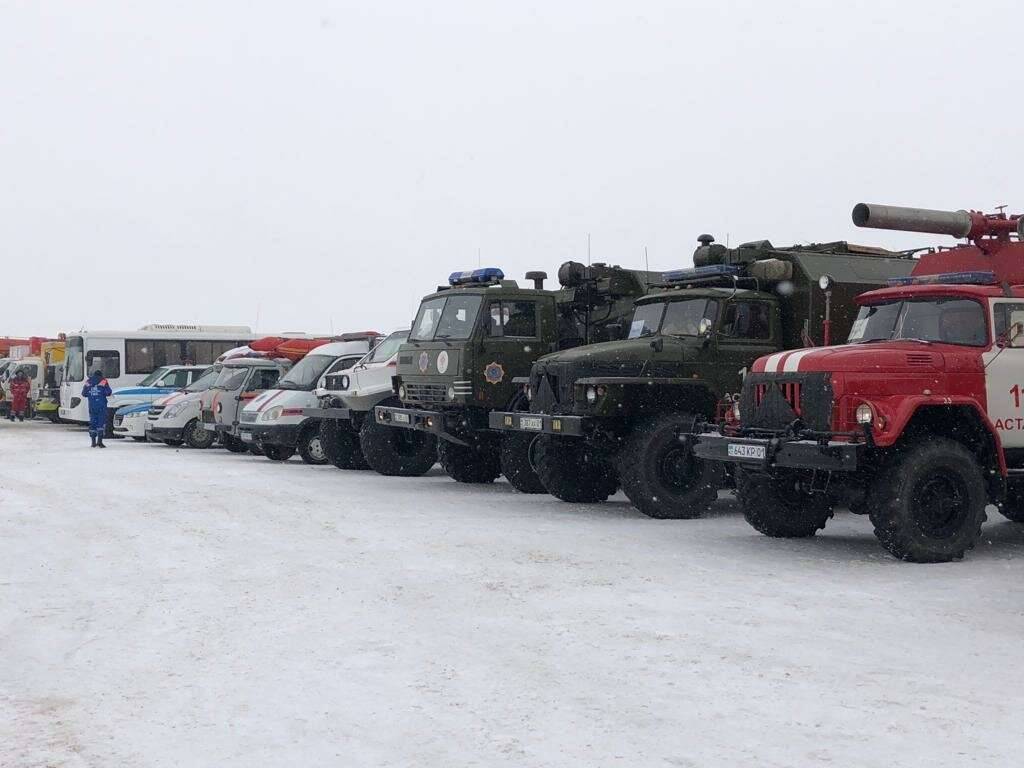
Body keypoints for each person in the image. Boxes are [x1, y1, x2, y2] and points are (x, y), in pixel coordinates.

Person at [82, 369, 112, 447]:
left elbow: (84, 393)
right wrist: (101, 393)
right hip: (101, 405)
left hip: (92, 406)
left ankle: (93, 442)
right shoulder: (103, 381)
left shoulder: (88, 382)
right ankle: (100, 442)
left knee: (93, 423)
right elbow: (108, 392)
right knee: (100, 423)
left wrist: (91, 393)